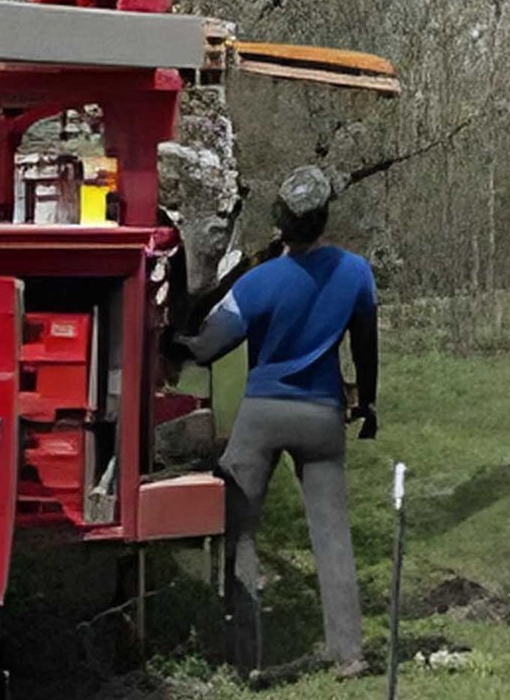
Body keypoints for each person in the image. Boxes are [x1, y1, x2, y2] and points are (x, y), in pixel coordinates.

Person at [178, 165, 378, 677]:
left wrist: (170, 337)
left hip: (263, 414)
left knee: (240, 531)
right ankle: (349, 653)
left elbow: (207, 349)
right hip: (322, 417)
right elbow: (365, 348)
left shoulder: (258, 282)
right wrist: (368, 404)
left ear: (281, 220)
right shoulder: (355, 272)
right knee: (332, 534)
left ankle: (245, 658)